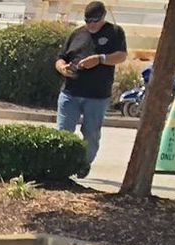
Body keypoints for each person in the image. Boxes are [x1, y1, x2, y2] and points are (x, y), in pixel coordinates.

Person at [55, 1, 127, 171]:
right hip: (70, 92)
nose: (91, 24)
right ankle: (60, 168)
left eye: (95, 20)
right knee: (63, 132)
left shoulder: (115, 32)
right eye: (87, 21)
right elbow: (61, 58)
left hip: (97, 96)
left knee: (91, 134)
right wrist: (62, 68)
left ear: (103, 16)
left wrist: (100, 59)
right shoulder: (77, 33)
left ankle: (83, 166)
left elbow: (122, 56)